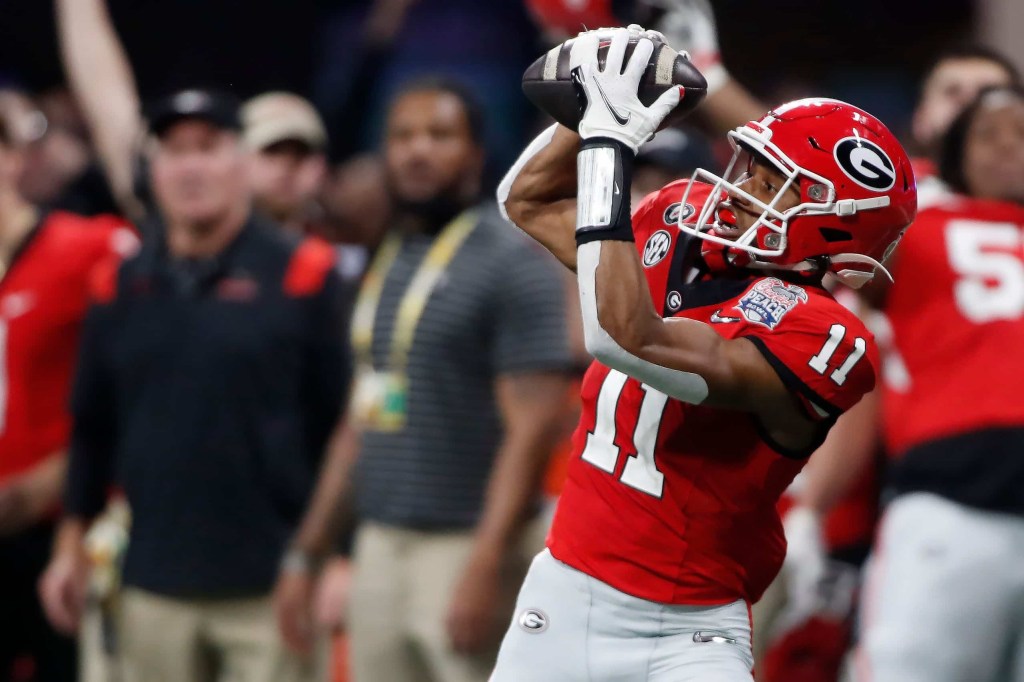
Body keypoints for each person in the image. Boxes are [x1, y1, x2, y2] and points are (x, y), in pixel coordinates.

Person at [491, 26, 915, 681]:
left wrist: (610, 141)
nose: (739, 184)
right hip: (563, 593)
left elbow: (628, 336)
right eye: (750, 162)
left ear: (831, 223)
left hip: (689, 634)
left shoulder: (829, 337)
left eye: (772, 180)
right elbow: (526, 200)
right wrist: (596, 100)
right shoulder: (679, 218)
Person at [286, 77, 573, 682]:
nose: (417, 150)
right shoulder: (388, 253)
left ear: (474, 153)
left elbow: (533, 428)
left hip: (463, 544)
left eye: (439, 135)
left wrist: (486, 561)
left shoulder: (510, 259)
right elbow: (357, 423)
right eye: (403, 136)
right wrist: (307, 553)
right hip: (379, 543)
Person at [850, 84, 1024, 682]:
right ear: (957, 154)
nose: (1008, 146)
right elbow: (819, 178)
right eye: (989, 133)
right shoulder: (917, 227)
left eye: (1022, 132)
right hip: (952, 497)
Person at [0, 96, 133, 682]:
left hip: (61, 533)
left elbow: (149, 379)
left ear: (10, 158)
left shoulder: (88, 247)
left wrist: (58, 479)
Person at [242, 91, 329, 233]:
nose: (286, 167)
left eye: (300, 154)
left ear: (321, 165)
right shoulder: (207, 247)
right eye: (272, 151)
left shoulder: (341, 250)